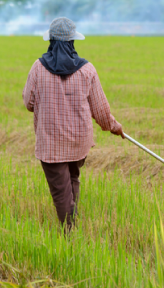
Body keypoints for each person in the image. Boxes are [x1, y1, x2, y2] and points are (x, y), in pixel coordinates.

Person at [23, 17, 124, 232]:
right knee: (72, 178)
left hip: (51, 142)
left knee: (61, 189)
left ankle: (69, 232)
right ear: (72, 42)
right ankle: (72, 220)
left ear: (50, 41)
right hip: (79, 141)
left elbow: (28, 102)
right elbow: (101, 110)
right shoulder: (87, 70)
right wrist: (114, 127)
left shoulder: (38, 68)